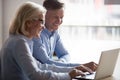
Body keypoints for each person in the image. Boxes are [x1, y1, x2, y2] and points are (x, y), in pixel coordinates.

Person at [0, 1, 96, 80]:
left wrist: (73, 69)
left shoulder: (20, 40)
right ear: (29, 22)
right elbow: (36, 75)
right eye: (41, 21)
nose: (43, 27)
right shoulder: (20, 42)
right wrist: (69, 75)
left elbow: (42, 66)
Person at [32, 0, 98, 68]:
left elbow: (65, 54)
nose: (59, 21)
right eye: (55, 17)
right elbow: (46, 62)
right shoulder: (36, 34)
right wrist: (82, 66)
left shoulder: (55, 33)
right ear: (44, 15)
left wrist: (61, 63)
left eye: (61, 17)